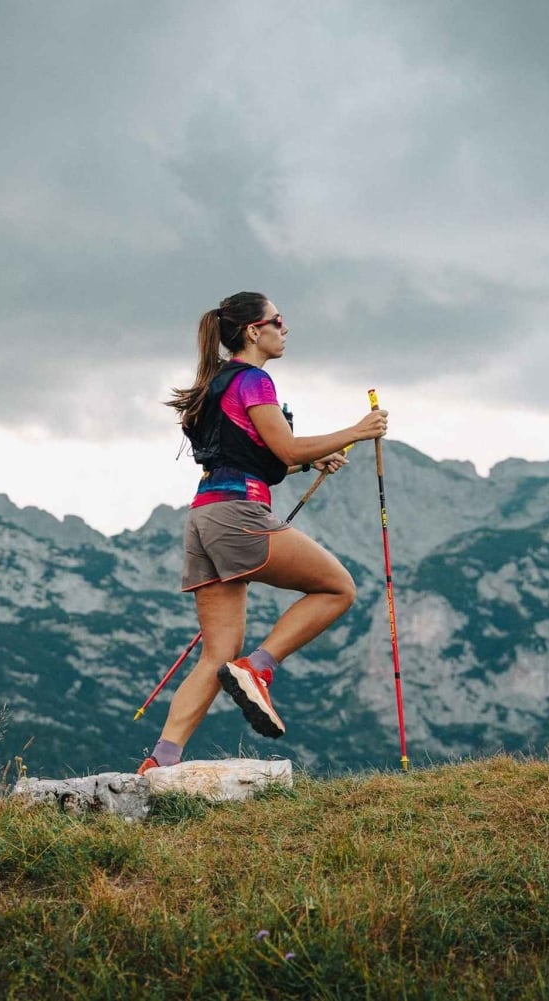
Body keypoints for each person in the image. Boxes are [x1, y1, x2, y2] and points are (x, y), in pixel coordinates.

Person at [139, 291, 388, 775]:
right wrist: (357, 430)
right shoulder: (254, 380)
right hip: (239, 514)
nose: (285, 328)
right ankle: (259, 668)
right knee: (338, 588)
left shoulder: (216, 383)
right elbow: (287, 448)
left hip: (204, 515)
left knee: (217, 653)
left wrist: (312, 460)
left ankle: (160, 760)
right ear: (254, 331)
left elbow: (257, 458)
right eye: (278, 320)